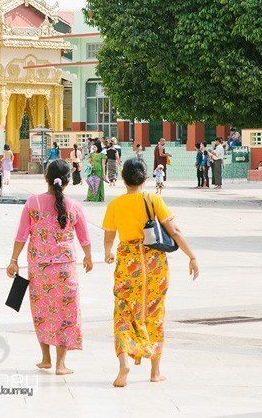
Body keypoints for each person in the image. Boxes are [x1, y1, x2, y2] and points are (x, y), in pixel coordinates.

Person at [104, 159, 199, 387]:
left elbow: (109, 236)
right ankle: (155, 372)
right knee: (154, 312)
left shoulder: (115, 205)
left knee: (123, 311)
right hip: (154, 263)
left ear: (124, 179)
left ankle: (123, 363)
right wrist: (191, 256)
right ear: (145, 178)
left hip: (128, 263)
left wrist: (108, 253)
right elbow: (174, 231)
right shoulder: (153, 199)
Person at [7, 159, 92, 376]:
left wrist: (14, 260)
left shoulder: (32, 203)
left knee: (42, 311)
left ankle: (45, 358)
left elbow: (21, 235)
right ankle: (60, 364)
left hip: (39, 269)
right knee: (65, 312)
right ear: (66, 182)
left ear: (46, 178)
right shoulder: (74, 206)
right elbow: (84, 238)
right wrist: (88, 258)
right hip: (65, 269)